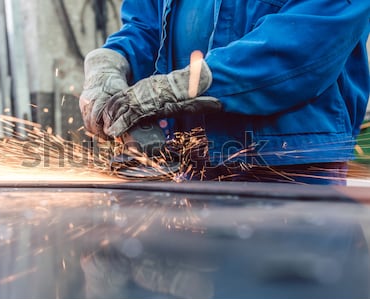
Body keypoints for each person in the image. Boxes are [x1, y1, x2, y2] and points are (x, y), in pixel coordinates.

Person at [79, 0, 370, 185]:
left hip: (287, 167)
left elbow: (307, 43)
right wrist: (111, 62)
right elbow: (145, 27)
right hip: (189, 164)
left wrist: (186, 87)